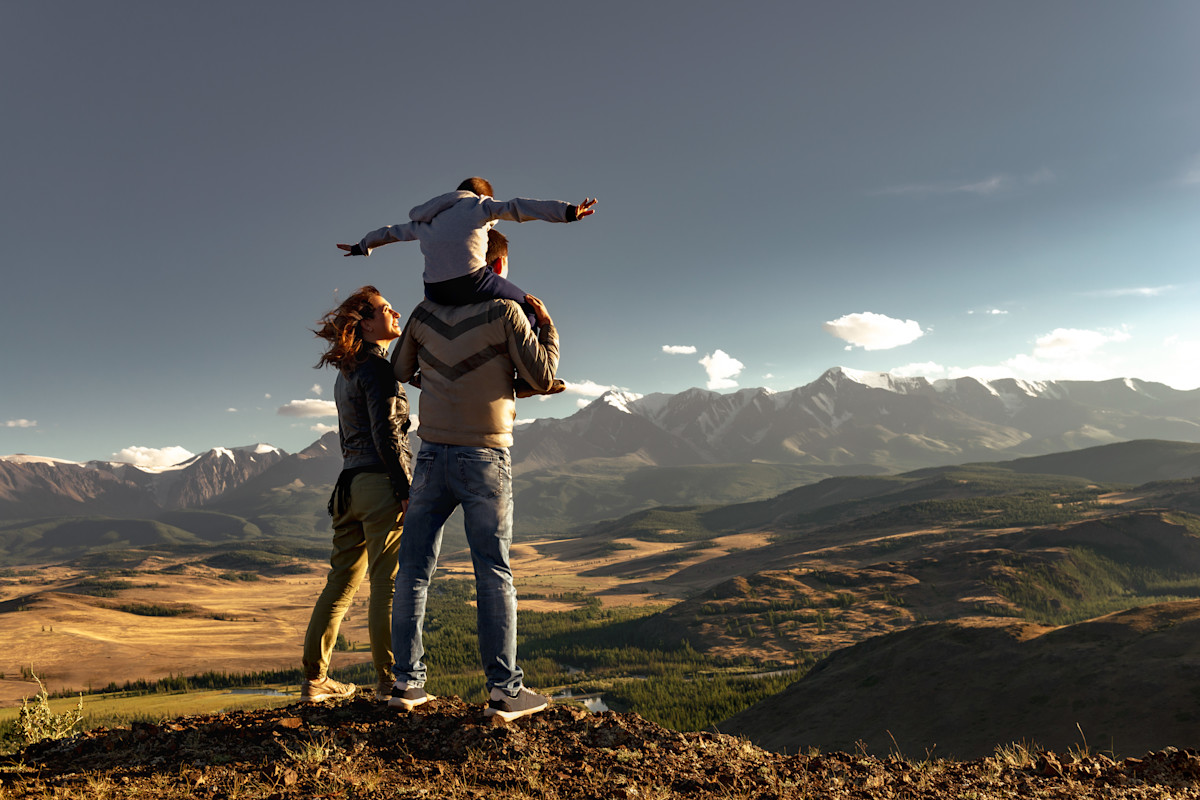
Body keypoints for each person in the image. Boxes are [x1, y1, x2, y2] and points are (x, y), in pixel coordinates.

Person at [386, 244, 559, 721]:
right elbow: (544, 377)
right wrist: (546, 324)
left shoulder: (424, 313)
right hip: (485, 455)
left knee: (414, 570)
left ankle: (406, 683)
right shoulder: (506, 310)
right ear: (496, 265)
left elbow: (399, 370)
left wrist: (440, 377)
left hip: (431, 455)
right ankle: (504, 691)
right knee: (493, 571)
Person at [335, 176, 594, 396]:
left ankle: (422, 377)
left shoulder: (429, 219)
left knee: (433, 324)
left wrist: (362, 246)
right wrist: (568, 212)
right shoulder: (480, 206)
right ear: (483, 196)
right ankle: (526, 379)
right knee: (529, 307)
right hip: (472, 280)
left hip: (434, 290)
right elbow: (519, 208)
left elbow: (392, 232)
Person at [301, 286, 413, 704]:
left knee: (342, 583)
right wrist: (405, 489)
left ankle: (316, 679)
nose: (395, 312)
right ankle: (391, 681)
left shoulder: (346, 371)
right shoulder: (379, 370)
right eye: (386, 309)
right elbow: (387, 434)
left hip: (347, 486)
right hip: (379, 484)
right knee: (389, 583)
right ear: (366, 324)